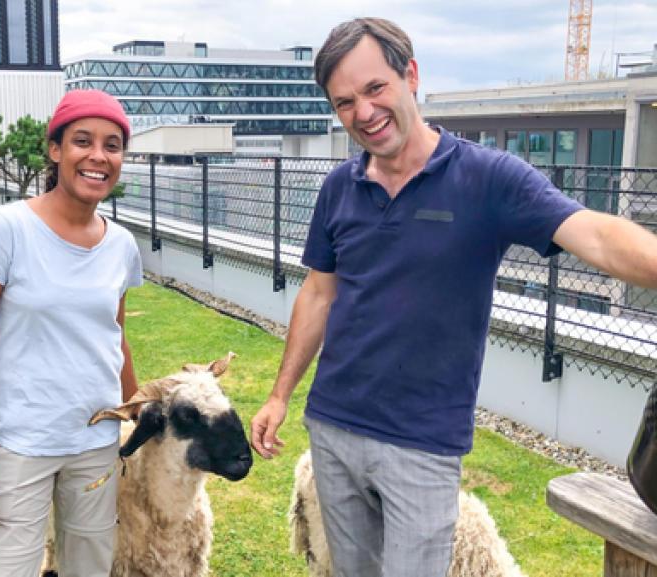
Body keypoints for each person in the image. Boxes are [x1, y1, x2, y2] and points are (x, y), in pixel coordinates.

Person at [249, 17, 657, 577]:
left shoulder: (488, 178)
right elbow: (319, 294)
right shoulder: (339, 187)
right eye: (345, 102)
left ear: (411, 75)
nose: (363, 113)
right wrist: (279, 396)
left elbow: (595, 234)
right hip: (334, 425)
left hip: (422, 441)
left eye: (375, 89)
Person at [0, 89, 143, 577]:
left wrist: (137, 416)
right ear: (55, 150)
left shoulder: (121, 245)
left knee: (89, 568)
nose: (98, 156)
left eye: (112, 145)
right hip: (19, 443)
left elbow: (113, 336)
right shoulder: (3, 232)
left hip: (96, 443)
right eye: (83, 141)